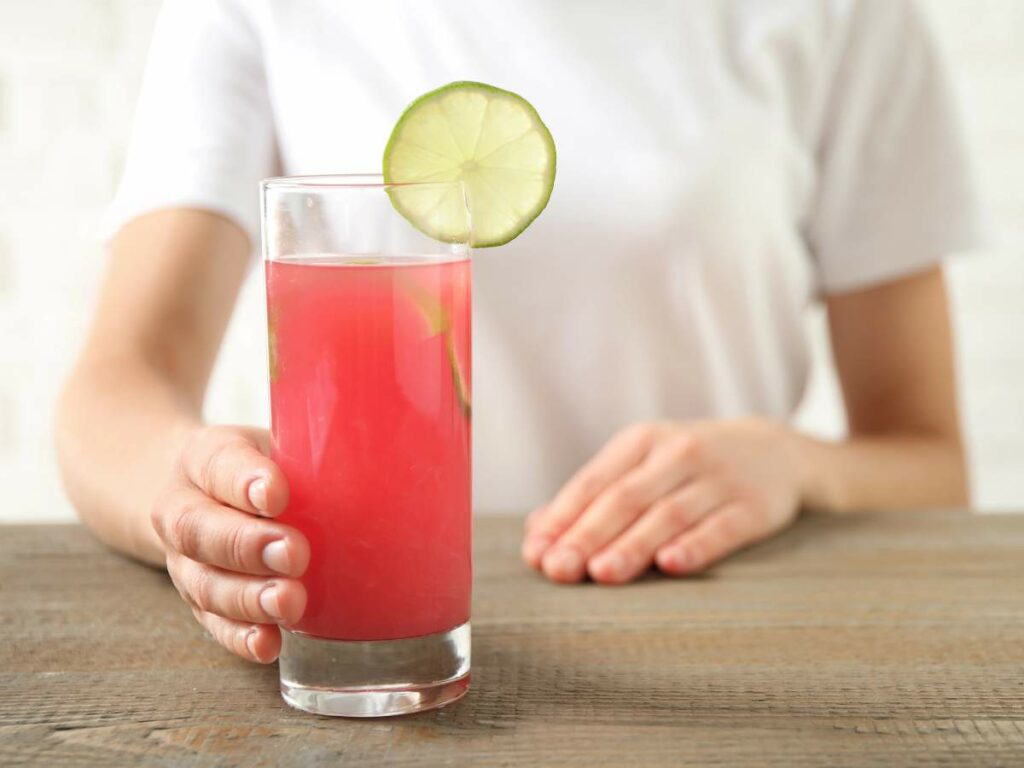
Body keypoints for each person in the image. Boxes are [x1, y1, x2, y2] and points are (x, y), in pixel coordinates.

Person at [57, 0, 983, 664]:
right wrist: (190, 499)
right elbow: (115, 390)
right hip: (353, 616)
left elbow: (931, 465)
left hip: (728, 633)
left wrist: (796, 464)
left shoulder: (847, 16)